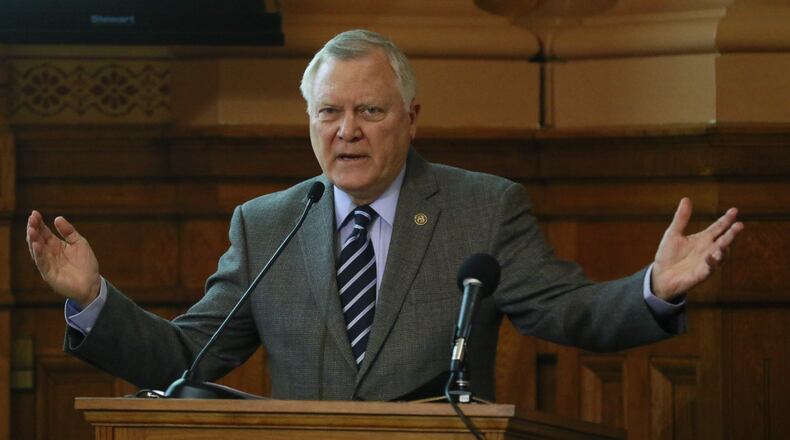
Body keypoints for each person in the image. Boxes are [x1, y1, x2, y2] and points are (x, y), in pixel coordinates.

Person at [25, 29, 743, 402]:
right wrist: (93, 300)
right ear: (308, 122)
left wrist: (653, 288)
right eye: (329, 113)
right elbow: (187, 360)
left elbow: (567, 313)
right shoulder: (268, 224)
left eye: (369, 111)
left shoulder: (482, 209)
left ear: (410, 119)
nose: (348, 131)